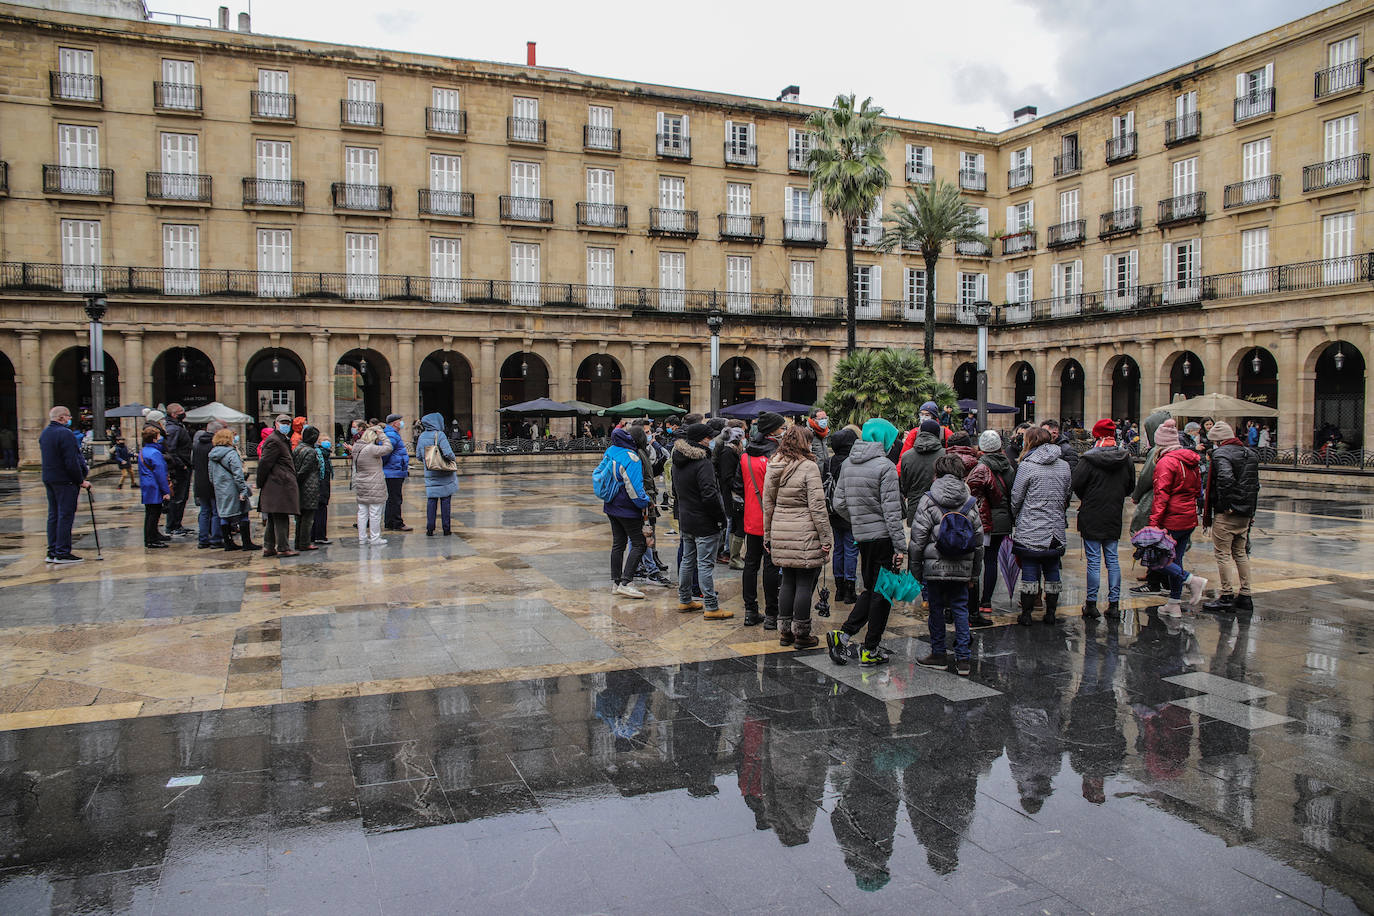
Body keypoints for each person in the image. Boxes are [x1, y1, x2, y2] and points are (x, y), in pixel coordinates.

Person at [827, 418, 907, 667]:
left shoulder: (849, 463)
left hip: (862, 536)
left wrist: (859, 520)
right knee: (883, 593)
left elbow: (838, 503)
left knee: (872, 588)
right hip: (883, 537)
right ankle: (869, 647)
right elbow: (892, 512)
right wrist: (900, 546)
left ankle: (845, 635)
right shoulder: (886, 467)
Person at [910, 454, 983, 676]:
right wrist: (974, 575)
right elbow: (978, 542)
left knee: (936, 610)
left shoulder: (929, 499)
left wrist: (916, 570)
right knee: (961, 609)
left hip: (935, 568)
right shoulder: (969, 500)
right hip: (962, 566)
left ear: (937, 472)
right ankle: (963, 659)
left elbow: (917, 539)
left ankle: (939, 653)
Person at [763, 425, 832, 649]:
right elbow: (818, 507)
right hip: (804, 529)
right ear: (805, 443)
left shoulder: (774, 463)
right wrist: (826, 538)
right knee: (804, 581)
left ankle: (785, 632)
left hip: (781, 527)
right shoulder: (809, 467)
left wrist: (768, 535)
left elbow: (768, 503)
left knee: (788, 580)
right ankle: (802, 634)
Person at [1072, 420, 1135, 619]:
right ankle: (1114, 604)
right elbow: (1130, 486)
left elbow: (1077, 484)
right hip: (1114, 512)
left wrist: (1088, 497)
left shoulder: (1088, 459)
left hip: (1092, 512)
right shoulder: (1126, 458)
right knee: (1113, 559)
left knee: (1093, 560)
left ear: (1097, 436)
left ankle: (1091, 603)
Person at [1010, 427, 1072, 626]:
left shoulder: (1027, 466)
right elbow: (1067, 493)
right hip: (1055, 527)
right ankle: (1051, 612)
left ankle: (1027, 613)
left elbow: (1016, 497)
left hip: (1031, 525)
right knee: (1052, 567)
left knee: (1030, 567)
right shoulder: (1063, 466)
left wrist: (1016, 515)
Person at [672, 422, 731, 620]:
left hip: (686, 518)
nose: (712, 441)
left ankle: (684, 599)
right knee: (705, 564)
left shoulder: (677, 459)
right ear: (703, 440)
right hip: (704, 521)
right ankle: (712, 607)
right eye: (710, 438)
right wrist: (720, 518)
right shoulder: (702, 462)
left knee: (688, 560)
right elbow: (710, 494)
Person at [1148, 419, 1207, 616]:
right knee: (1176, 559)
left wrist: (1153, 524)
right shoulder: (1190, 461)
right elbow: (1199, 491)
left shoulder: (1166, 462)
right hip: (1188, 517)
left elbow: (1161, 496)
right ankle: (1174, 604)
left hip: (1172, 518)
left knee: (1155, 559)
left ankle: (1191, 580)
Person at [1202, 420, 1259, 613]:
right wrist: (1250, 511)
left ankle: (1226, 595)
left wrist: (1227, 506)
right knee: (1241, 553)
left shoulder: (1220, 454)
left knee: (1223, 554)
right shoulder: (1250, 453)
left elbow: (1226, 479)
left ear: (1218, 440)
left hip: (1228, 513)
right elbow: (1254, 486)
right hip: (1245, 513)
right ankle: (1245, 595)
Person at [741, 412, 786, 627]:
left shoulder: (745, 455)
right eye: (781, 428)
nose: (783, 431)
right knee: (770, 565)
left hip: (751, 517)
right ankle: (771, 614)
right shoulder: (776, 457)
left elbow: (738, 486)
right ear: (773, 431)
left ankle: (750, 610)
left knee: (750, 564)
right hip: (772, 517)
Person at [968, 429, 1014, 626]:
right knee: (991, 560)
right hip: (1003, 520)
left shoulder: (979, 467)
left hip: (983, 520)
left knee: (977, 561)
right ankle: (986, 601)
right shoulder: (1010, 468)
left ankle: (976, 601)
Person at [601, 426, 652, 598]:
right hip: (627, 508)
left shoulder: (611, 450)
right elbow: (635, 489)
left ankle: (616, 583)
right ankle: (626, 582)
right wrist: (645, 502)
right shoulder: (632, 457)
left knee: (618, 543)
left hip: (611, 503)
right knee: (639, 544)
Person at [1129, 411, 1174, 596]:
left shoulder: (1158, 451)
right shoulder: (1179, 449)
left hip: (1155, 502)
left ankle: (1155, 580)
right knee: (1167, 543)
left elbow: (1146, 477)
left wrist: (1136, 495)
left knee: (1152, 541)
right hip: (1174, 505)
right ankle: (1165, 578)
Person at [39, 405, 90, 563]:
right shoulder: (65, 433)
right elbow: (71, 461)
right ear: (61, 417)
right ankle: (62, 552)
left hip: (50, 478)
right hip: (65, 480)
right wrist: (80, 479)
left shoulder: (45, 433)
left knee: (53, 515)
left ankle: (52, 551)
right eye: (68, 417)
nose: (69, 420)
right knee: (65, 516)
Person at [256, 413, 300, 558]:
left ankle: (269, 546)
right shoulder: (274, 440)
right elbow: (264, 463)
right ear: (275, 423)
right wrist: (260, 482)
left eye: (288, 422)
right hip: (278, 483)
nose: (285, 425)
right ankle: (283, 547)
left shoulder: (281, 439)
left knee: (274, 516)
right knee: (281, 516)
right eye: (283, 422)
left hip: (279, 482)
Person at [827, 427, 860, 604]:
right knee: (851, 550)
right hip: (849, 511)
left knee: (838, 549)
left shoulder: (829, 461)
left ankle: (839, 589)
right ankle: (850, 589)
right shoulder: (852, 462)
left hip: (833, 511)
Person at [208, 428, 253, 552]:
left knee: (224, 515)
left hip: (220, 489)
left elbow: (211, 475)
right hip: (233, 488)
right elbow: (238, 474)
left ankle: (228, 542)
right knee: (243, 512)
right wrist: (243, 490)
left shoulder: (212, 454)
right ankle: (246, 543)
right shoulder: (231, 453)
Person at [416, 412, 458, 536]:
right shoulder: (440, 435)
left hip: (430, 472)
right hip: (443, 473)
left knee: (431, 500)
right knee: (445, 501)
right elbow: (448, 453)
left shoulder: (422, 436)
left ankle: (430, 528)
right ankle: (446, 528)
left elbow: (419, 456)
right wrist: (453, 459)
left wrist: (427, 461)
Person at [353, 425, 394, 546]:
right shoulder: (371, 449)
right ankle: (375, 537)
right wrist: (382, 434)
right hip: (374, 483)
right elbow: (388, 447)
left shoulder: (356, 447)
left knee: (362, 512)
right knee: (375, 512)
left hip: (361, 482)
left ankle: (362, 537)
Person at [898, 418, 945, 523]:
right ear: (938, 434)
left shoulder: (907, 456)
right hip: (939, 509)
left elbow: (904, 486)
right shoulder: (945, 455)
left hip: (915, 508)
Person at [716, 422, 747, 569]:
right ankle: (734, 557)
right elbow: (727, 477)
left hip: (734, 494)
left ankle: (734, 555)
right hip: (733, 495)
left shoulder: (733, 451)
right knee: (738, 524)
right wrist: (739, 488)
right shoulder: (728, 453)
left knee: (735, 524)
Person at [192, 420, 226, 549]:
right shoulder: (215, 446)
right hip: (213, 482)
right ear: (217, 432)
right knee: (216, 511)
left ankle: (203, 539)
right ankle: (216, 538)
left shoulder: (197, 444)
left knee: (204, 511)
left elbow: (193, 463)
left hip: (200, 482)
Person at [161, 403, 193, 536]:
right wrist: (182, 465)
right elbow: (171, 450)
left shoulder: (177, 426)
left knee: (182, 497)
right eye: (181, 411)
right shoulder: (173, 429)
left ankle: (177, 524)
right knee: (178, 497)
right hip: (179, 468)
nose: (183, 412)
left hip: (182, 466)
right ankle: (172, 526)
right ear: (174, 414)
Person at [138, 425, 170, 550]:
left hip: (147, 484)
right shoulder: (155, 453)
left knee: (150, 512)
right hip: (154, 485)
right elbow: (160, 473)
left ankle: (152, 536)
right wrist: (166, 491)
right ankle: (151, 539)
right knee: (154, 514)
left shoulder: (144, 451)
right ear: (155, 438)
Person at [293, 425, 322, 552]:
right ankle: (304, 542)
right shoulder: (310, 451)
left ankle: (298, 542)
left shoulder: (298, 448)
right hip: (309, 486)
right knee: (307, 517)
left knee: (300, 517)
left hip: (300, 486)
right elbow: (304, 470)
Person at [382, 413, 412, 531]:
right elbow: (385, 452)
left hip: (393, 469)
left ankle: (390, 522)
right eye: (400, 421)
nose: (402, 423)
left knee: (392, 498)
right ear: (395, 423)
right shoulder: (391, 435)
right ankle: (396, 522)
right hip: (393, 470)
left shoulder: (392, 434)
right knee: (396, 498)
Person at [312, 432, 334, 545]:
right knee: (319, 511)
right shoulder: (318, 454)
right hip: (319, 488)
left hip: (323, 488)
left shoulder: (325, 455)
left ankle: (318, 535)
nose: (327, 442)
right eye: (324, 440)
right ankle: (319, 535)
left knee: (320, 511)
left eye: (328, 440)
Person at [808, 409, 831, 480]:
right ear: (814, 420)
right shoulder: (807, 433)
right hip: (812, 475)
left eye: (825, 418)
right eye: (821, 419)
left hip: (825, 474)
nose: (824, 421)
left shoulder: (826, 433)